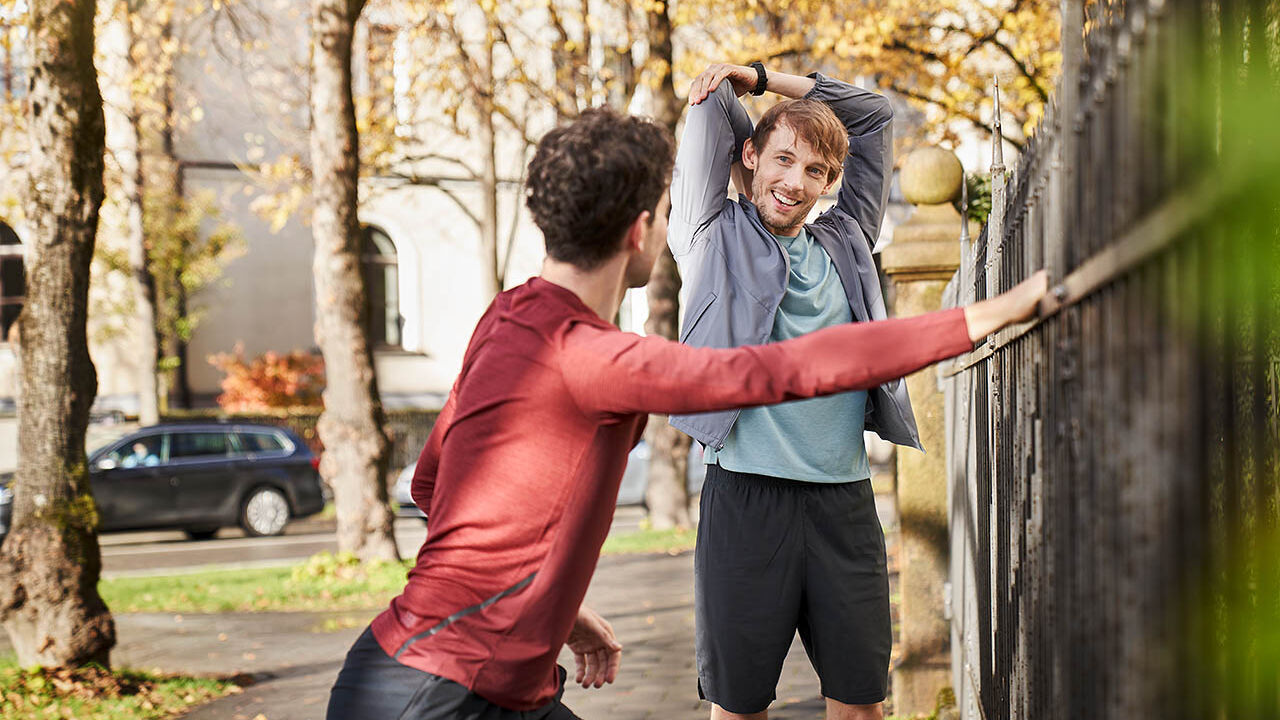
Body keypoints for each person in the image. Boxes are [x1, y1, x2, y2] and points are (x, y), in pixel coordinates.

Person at [325, 107, 1047, 720]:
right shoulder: (597, 356)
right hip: (434, 695)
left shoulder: (505, 318)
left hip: (455, 681)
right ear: (640, 232)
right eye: (668, 212)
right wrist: (989, 312)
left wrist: (557, 609)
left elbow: (431, 486)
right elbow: (786, 369)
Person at [668, 62, 919, 720]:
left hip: (845, 506)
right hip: (747, 503)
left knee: (862, 706)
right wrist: (735, 83)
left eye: (815, 171)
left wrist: (767, 76)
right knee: (741, 708)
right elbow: (711, 111)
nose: (795, 183)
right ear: (748, 158)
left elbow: (876, 115)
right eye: (782, 160)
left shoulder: (847, 241)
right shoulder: (711, 234)